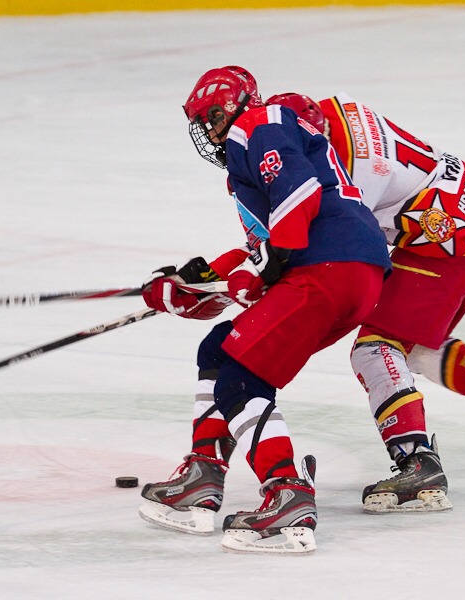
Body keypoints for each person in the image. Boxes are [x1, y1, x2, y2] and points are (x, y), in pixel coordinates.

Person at [265, 92, 465, 513]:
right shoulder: (334, 111)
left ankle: (418, 463)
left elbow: (346, 254)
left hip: (453, 241)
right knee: (406, 343)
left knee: (375, 349)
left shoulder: (357, 173)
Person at [138, 67, 392, 554]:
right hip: (348, 272)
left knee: (239, 380)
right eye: (203, 122)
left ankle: (287, 494)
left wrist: (262, 267)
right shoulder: (250, 159)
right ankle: (202, 473)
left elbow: (299, 194)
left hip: (328, 266)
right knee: (221, 349)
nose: (212, 130)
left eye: (215, 116)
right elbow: (263, 253)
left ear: (241, 104)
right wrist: (195, 284)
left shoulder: (260, 122)